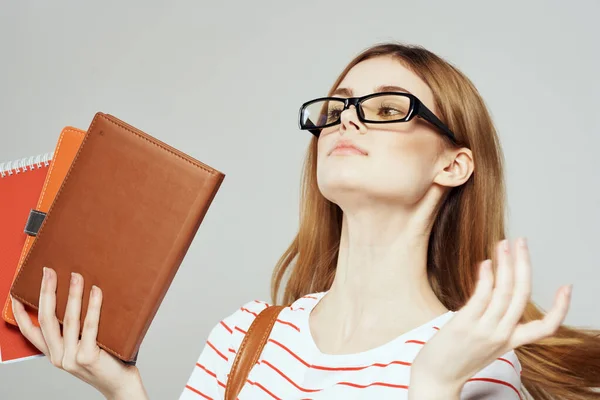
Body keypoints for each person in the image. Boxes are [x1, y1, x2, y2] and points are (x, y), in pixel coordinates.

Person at [10, 42, 600, 400]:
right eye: (337, 107)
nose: (348, 121)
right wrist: (121, 388)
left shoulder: (474, 359)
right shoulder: (243, 338)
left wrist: (435, 387)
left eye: (388, 108)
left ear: (453, 163)